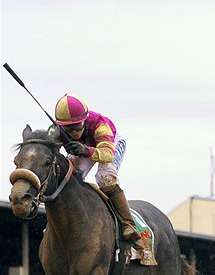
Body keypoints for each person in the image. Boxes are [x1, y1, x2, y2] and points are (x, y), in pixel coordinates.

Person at [49, 94, 152, 263]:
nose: (74, 132)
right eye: (69, 130)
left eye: (77, 127)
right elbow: (48, 144)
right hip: (84, 148)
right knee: (70, 176)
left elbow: (106, 154)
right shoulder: (57, 129)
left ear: (85, 120)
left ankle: (128, 224)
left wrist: (85, 150)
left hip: (110, 146)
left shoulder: (100, 126)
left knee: (105, 178)